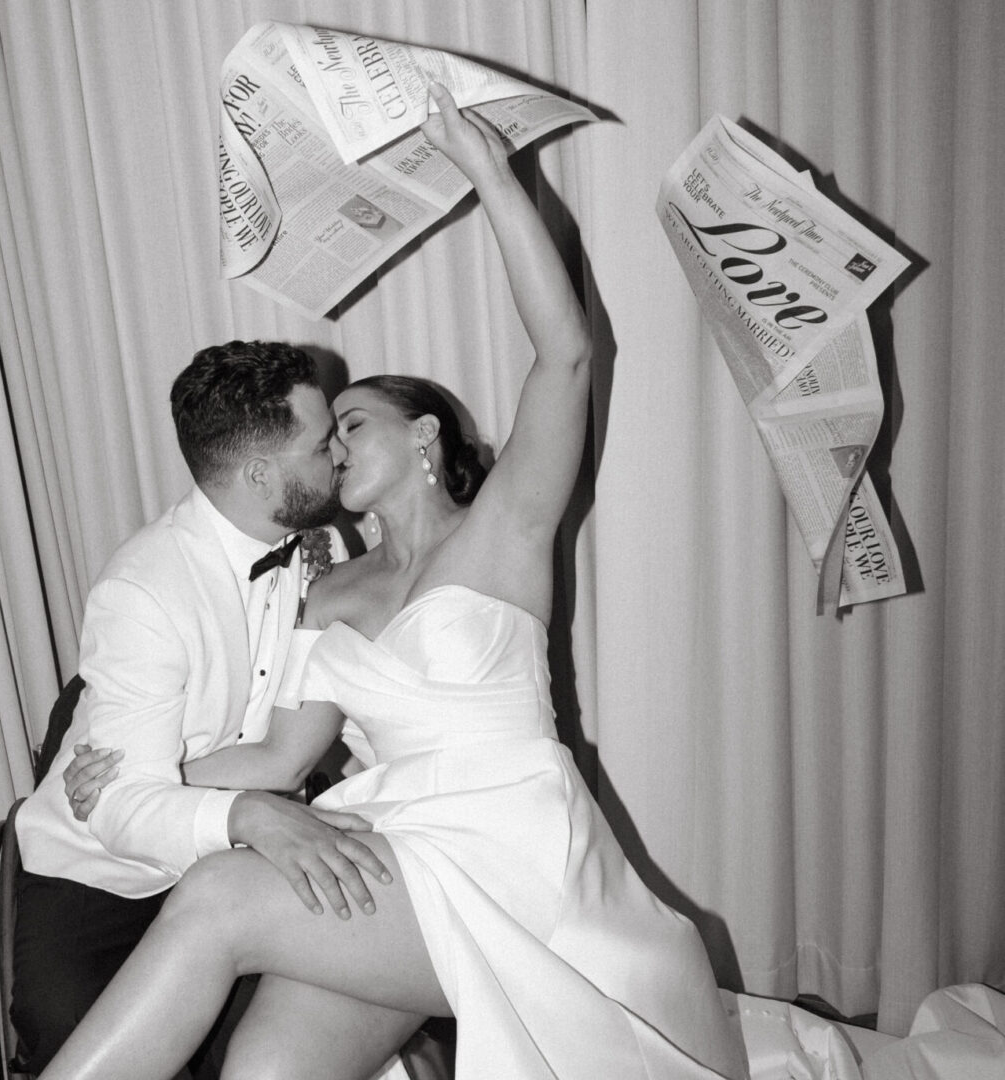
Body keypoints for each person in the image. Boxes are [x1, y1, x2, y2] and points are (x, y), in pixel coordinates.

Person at [46, 84, 750, 1080]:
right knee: (268, 1071)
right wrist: (129, 766)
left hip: (514, 860)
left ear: (423, 437)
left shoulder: (505, 531)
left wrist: (487, 174)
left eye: (351, 424)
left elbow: (569, 351)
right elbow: (278, 756)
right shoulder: (323, 588)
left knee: (217, 901)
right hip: (391, 854)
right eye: (324, 434)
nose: (330, 447)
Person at [11, 340, 391, 1074]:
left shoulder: (322, 547)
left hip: (234, 864)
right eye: (322, 445)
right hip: (100, 872)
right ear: (259, 474)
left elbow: (326, 710)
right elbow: (120, 808)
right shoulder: (144, 591)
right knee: (82, 1038)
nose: (339, 456)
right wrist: (246, 809)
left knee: (281, 1050)